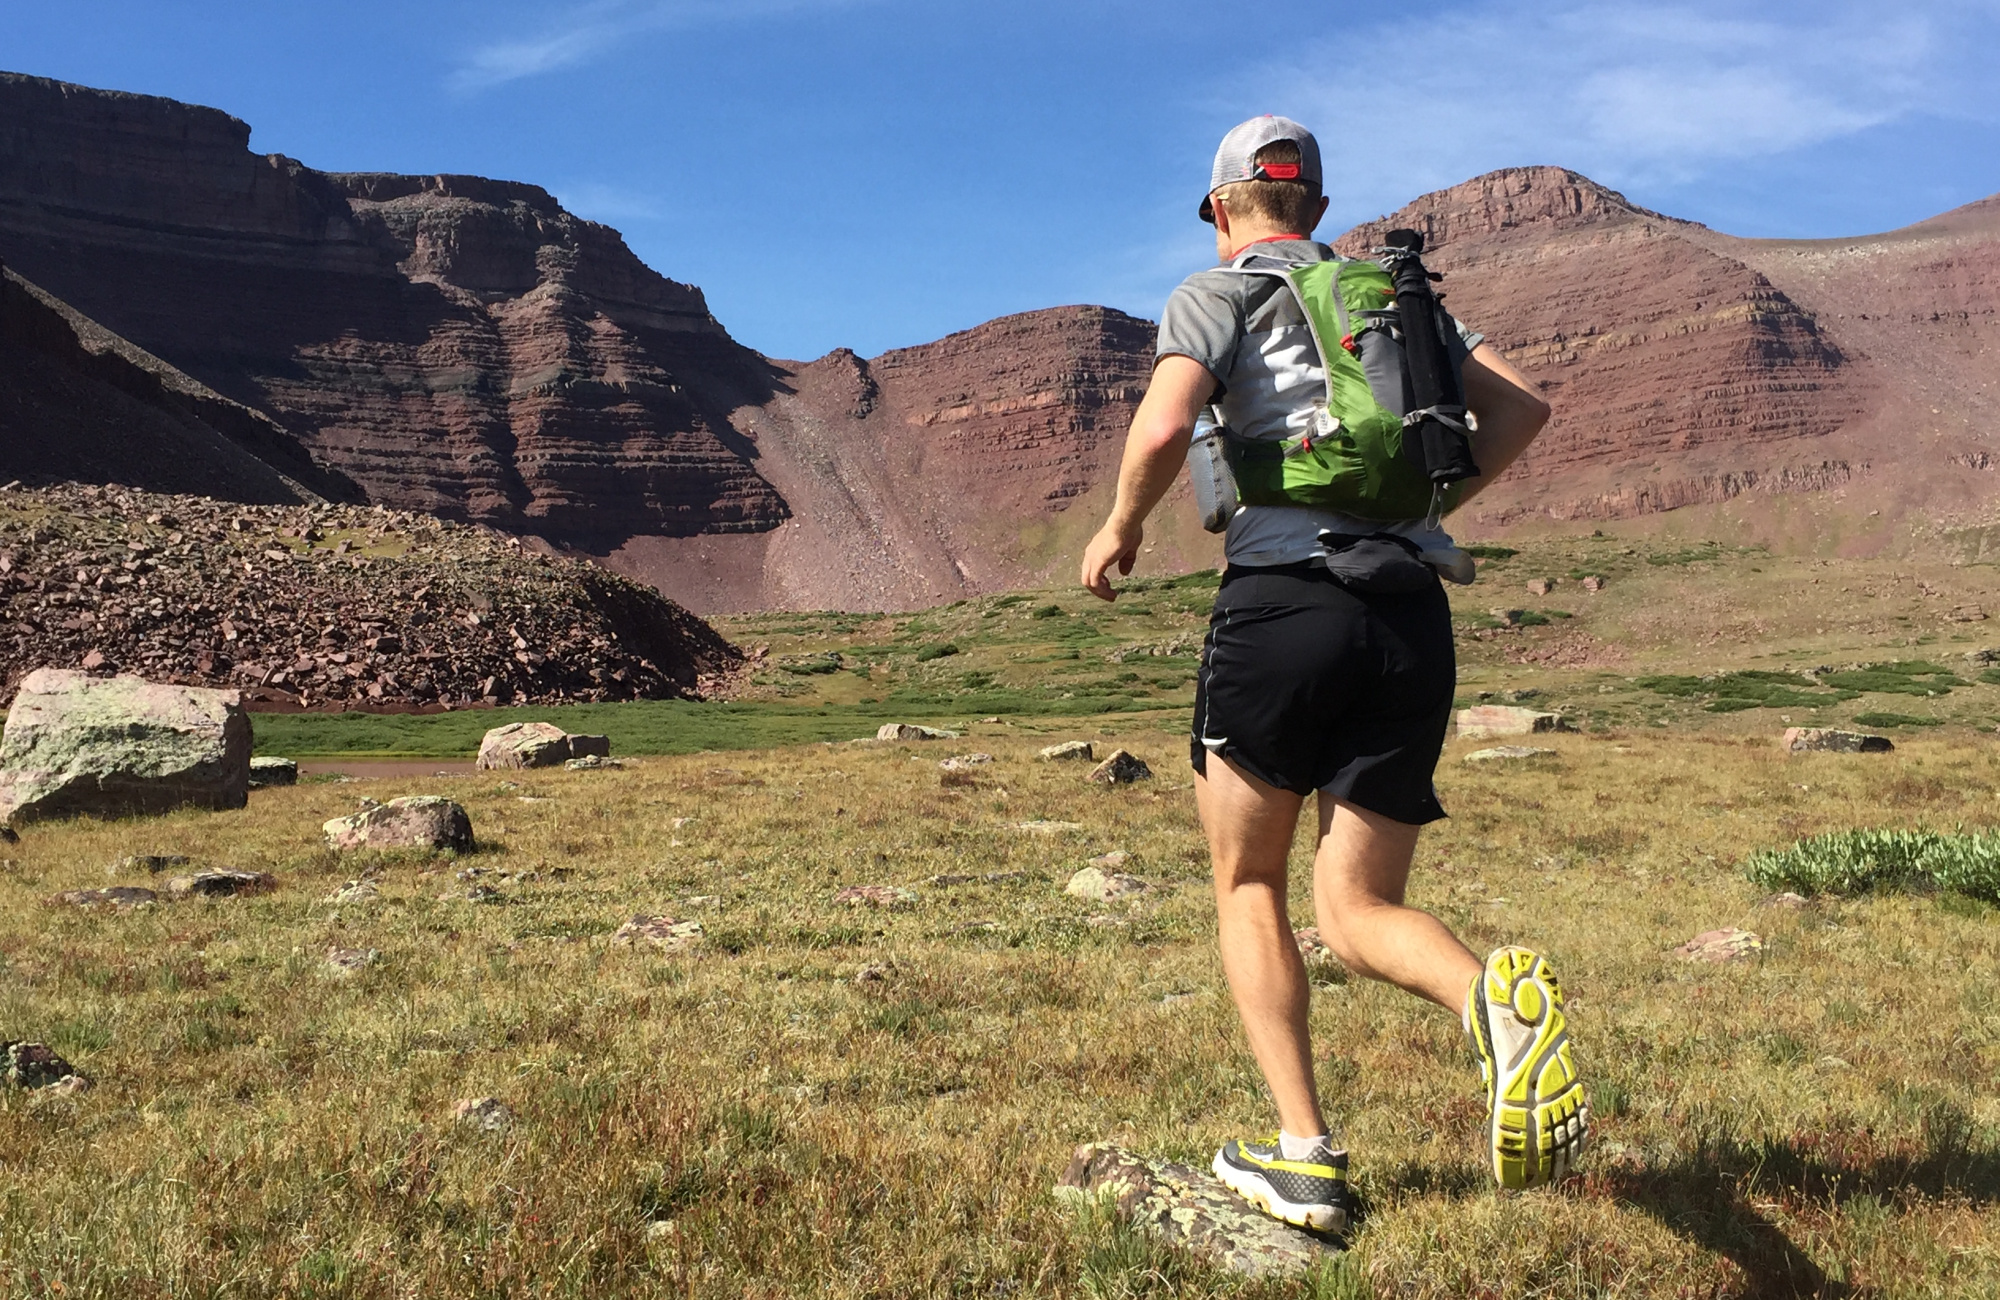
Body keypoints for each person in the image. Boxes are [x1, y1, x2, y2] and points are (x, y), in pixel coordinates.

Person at [1079, 115, 1587, 1233]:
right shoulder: (1395, 298)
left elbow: (1164, 428)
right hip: (1408, 612)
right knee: (1357, 908)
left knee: (1249, 884)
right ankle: (1486, 1004)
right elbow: (1522, 407)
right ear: (1313, 205)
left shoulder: (1216, 291)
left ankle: (1304, 1155)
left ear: (1222, 208)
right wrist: (1423, 508)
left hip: (1283, 608)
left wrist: (1119, 527)